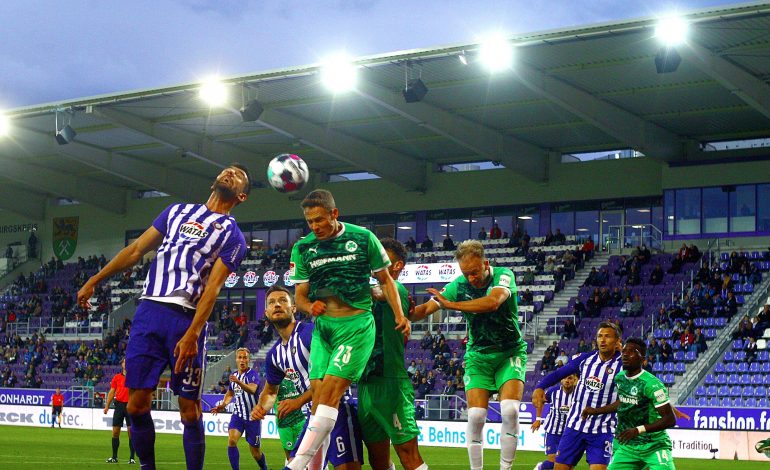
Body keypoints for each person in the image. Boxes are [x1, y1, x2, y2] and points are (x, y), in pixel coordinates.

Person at [76, 164, 251, 470]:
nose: (229, 174)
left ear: (242, 195)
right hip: (149, 311)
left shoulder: (233, 235)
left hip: (186, 318)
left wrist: (193, 334)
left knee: (188, 408)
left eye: (237, 176)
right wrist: (95, 279)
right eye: (226, 170)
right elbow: (135, 250)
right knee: (136, 404)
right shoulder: (176, 211)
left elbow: (213, 288)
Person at [283, 189, 409, 470]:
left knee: (329, 393)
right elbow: (300, 295)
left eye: (319, 220)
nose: (315, 227)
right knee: (319, 402)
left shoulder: (362, 238)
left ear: (334, 214)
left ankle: (295, 466)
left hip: (355, 326)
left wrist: (401, 315)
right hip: (323, 329)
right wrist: (308, 306)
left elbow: (386, 280)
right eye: (309, 222)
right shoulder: (303, 248)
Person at [411, 240, 526, 470]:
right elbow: (423, 311)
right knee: (475, 417)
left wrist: (452, 305)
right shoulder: (458, 284)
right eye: (466, 274)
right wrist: (400, 306)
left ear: (486, 263)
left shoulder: (504, 275)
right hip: (478, 357)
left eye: (474, 272)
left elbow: (493, 302)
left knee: (510, 411)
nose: (471, 279)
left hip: (508, 353)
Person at [251, 285, 366, 470]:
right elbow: (270, 391)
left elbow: (329, 379)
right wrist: (260, 408)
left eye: (282, 301)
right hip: (312, 417)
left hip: (336, 410)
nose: (277, 305)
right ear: (266, 312)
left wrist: (297, 402)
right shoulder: (274, 355)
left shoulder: (310, 333)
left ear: (294, 308)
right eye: (272, 302)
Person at [358, 238, 427, 470]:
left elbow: (378, 292)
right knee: (377, 461)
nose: (374, 264)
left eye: (382, 259)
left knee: (409, 457)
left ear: (396, 266)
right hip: (365, 384)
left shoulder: (395, 288)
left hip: (391, 384)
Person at [532, 322, 623, 470]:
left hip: (602, 430)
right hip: (575, 426)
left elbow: (636, 388)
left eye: (607, 336)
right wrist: (540, 387)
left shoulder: (623, 365)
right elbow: (559, 373)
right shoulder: (585, 359)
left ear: (618, 341)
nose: (602, 340)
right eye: (600, 336)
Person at [582, 338, 677, 470]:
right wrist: (595, 411)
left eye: (632, 351)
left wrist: (638, 430)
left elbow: (670, 419)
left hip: (654, 445)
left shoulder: (652, 384)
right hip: (628, 447)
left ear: (642, 359)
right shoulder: (620, 378)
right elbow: (622, 402)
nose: (625, 354)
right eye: (624, 350)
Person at [210, 348, 267, 470]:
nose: (242, 360)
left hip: (253, 418)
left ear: (249, 360)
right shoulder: (234, 376)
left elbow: (252, 390)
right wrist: (223, 405)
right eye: (240, 357)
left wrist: (239, 382)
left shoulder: (253, 375)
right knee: (232, 441)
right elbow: (230, 394)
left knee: (255, 453)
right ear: (236, 359)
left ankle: (264, 468)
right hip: (238, 416)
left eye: (245, 357)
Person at [531, 374, 578, 470]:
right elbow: (541, 401)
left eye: (570, 378)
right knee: (553, 463)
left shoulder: (579, 393)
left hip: (569, 434)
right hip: (553, 432)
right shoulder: (553, 392)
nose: (567, 380)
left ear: (575, 380)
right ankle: (540, 467)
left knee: (567, 465)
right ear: (561, 380)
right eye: (564, 378)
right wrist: (538, 419)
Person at [104, 358, 136, 464]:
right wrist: (107, 406)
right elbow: (112, 392)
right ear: (122, 364)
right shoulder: (117, 377)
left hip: (131, 406)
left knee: (131, 432)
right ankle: (114, 457)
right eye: (124, 362)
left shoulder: (134, 377)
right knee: (115, 432)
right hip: (119, 406)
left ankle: (132, 458)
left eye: (127, 362)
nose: (126, 364)